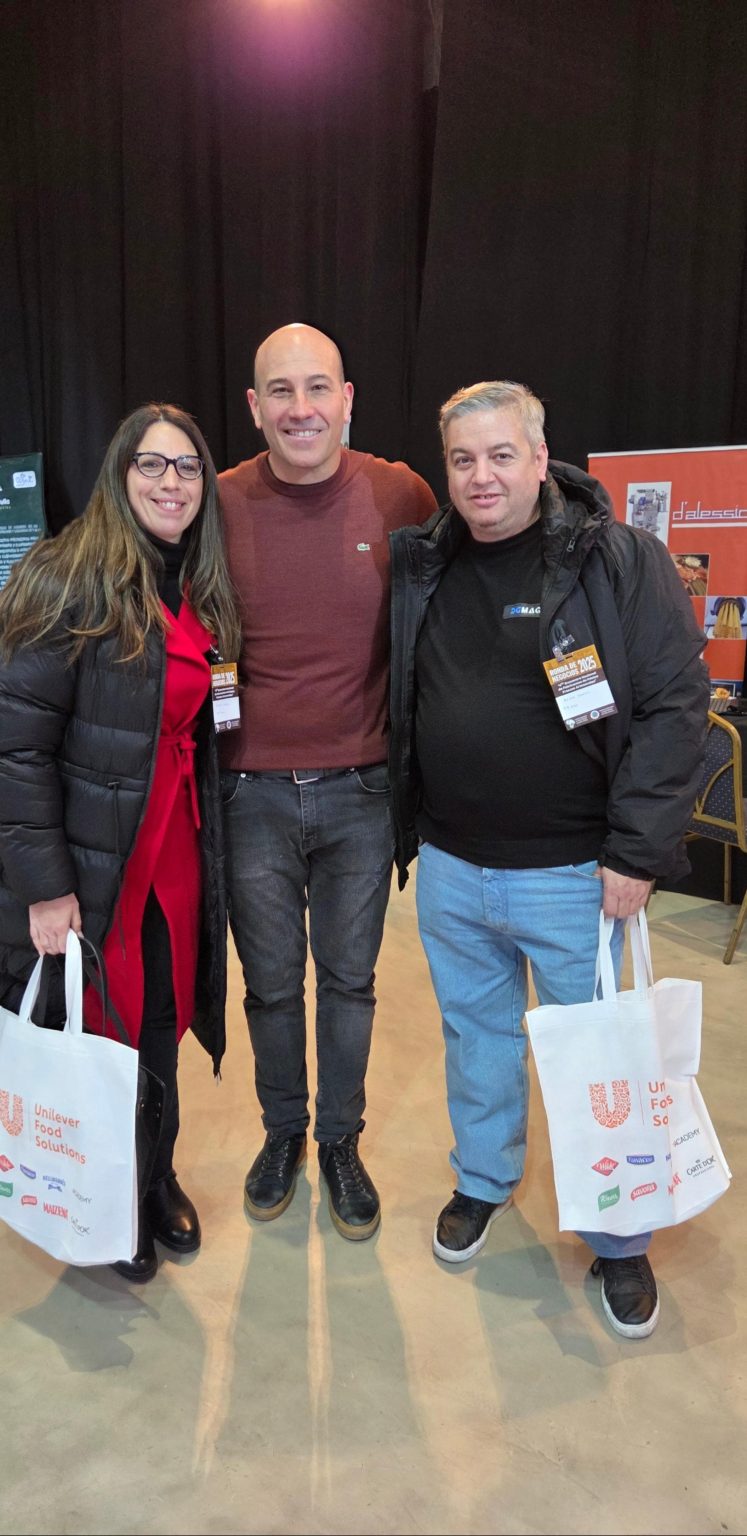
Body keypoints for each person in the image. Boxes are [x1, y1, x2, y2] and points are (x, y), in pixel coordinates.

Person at [388, 380, 709, 1337]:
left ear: (539, 458)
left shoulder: (616, 560)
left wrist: (636, 853)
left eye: (499, 455)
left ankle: (621, 1241)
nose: (480, 476)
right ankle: (484, 1181)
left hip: (581, 878)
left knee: (605, 1066)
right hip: (451, 868)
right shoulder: (424, 565)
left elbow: (672, 709)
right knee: (475, 1042)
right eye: (461, 459)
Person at [0, 403, 240, 1283]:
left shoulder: (197, 583)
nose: (170, 483)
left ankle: (154, 1175)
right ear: (118, 474)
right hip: (92, 864)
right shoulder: (65, 576)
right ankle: (104, 1199)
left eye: (187, 468)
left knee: (162, 1021)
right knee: (99, 1032)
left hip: (174, 854)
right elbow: (13, 745)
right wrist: (45, 885)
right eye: (151, 465)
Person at [218, 323, 436, 1240]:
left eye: (318, 388)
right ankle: (284, 1133)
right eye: (280, 390)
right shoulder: (215, 501)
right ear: (254, 406)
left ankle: (340, 1142)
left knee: (348, 983)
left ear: (348, 397)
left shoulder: (402, 494)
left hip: (361, 791)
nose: (299, 408)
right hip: (247, 795)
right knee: (270, 986)